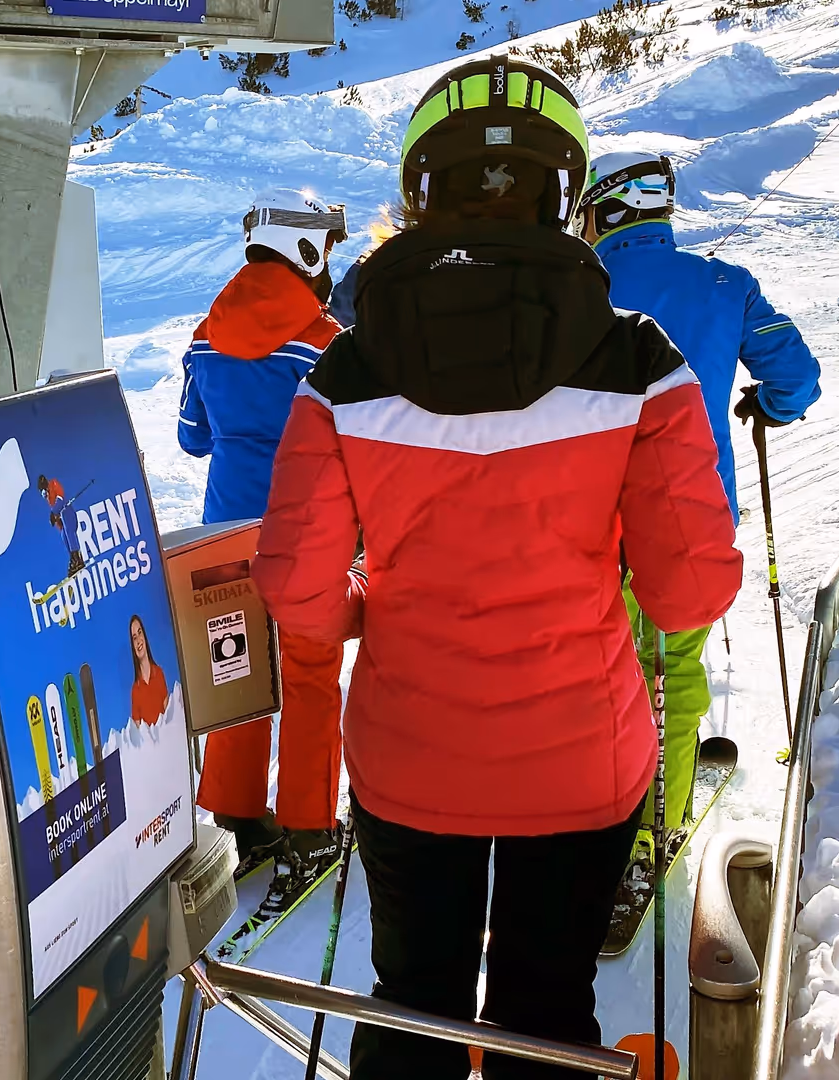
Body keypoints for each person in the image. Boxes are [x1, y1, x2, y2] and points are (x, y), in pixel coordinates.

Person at [252, 56, 743, 1078]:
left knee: (412, 1006)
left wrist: (364, 605)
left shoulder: (343, 370)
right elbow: (690, 590)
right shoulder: (637, 362)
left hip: (407, 756)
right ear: (563, 192)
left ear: (420, 190)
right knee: (545, 1013)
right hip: (580, 763)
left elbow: (296, 587)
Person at [578, 150, 822, 854]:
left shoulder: (576, 288)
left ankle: (594, 815)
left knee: (597, 673)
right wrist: (771, 404)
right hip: (695, 513)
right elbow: (796, 379)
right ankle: (656, 827)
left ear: (601, 214)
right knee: (670, 668)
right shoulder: (725, 283)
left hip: (588, 522)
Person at [178, 188, 350, 895]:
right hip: (305, 534)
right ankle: (309, 829)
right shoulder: (324, 344)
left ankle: (237, 817)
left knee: (235, 673)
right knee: (309, 676)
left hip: (223, 532)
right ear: (306, 252)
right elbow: (353, 446)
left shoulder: (203, 335)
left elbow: (193, 438)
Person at [128, 613, 170, 726]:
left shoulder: (159, 673)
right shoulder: (135, 691)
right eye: (134, 637)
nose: (138, 641)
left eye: (139, 632)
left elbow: (169, 717)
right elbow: (138, 733)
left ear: (145, 637)